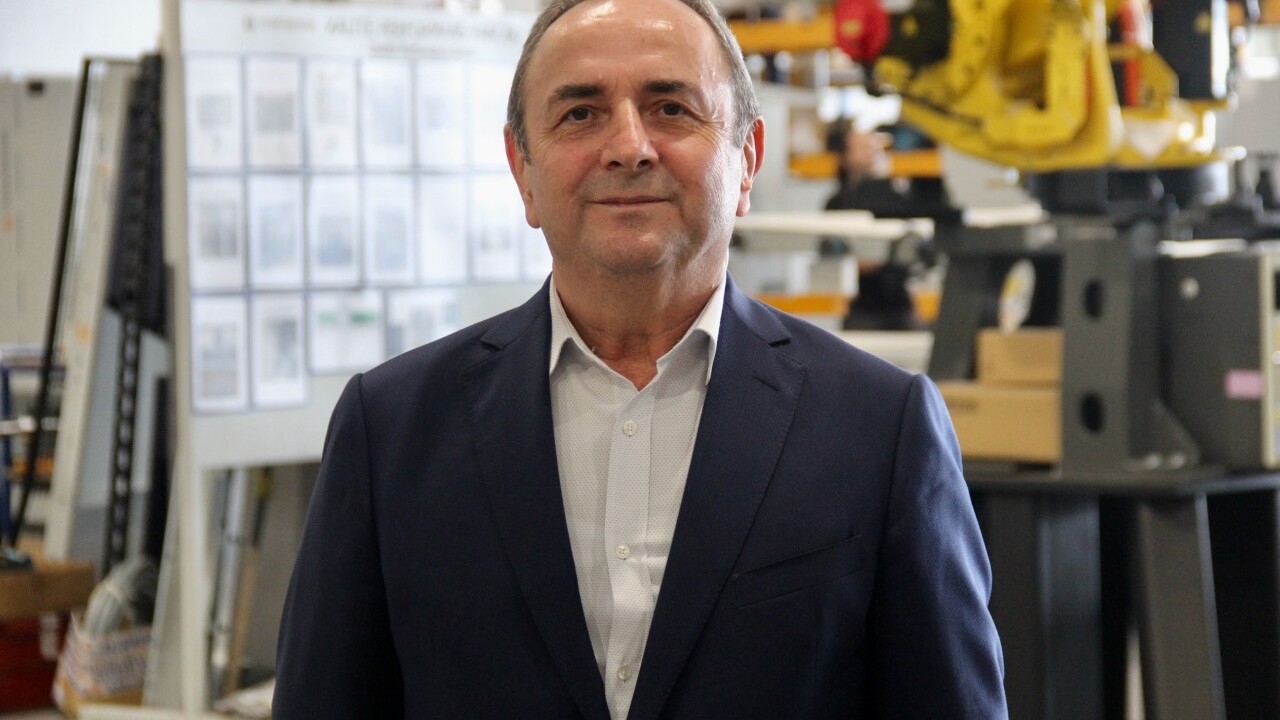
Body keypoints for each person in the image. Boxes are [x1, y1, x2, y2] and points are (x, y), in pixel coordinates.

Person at [273, 0, 1007, 718]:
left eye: (671, 108)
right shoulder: (391, 430)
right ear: (523, 170)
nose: (629, 146)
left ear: (747, 160)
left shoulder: (881, 429)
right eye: (580, 114)